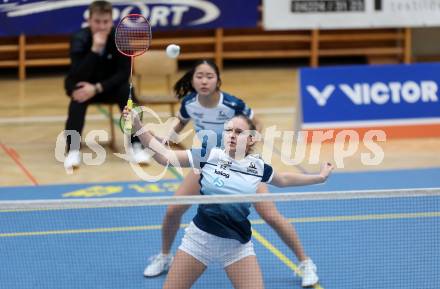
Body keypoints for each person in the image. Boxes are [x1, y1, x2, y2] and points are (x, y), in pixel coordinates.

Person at [141, 60, 321, 287]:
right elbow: (179, 126)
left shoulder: (233, 104)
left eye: (209, 76)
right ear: (192, 79)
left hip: (240, 167)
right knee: (173, 210)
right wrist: (161, 139)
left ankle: (305, 262)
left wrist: (246, 151)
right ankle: (165, 256)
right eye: (199, 76)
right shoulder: (189, 103)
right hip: (208, 162)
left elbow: (257, 124)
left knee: (270, 215)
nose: (204, 81)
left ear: (218, 79)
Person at [123, 106, 334, 289]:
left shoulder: (257, 167)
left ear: (251, 138)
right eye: (228, 130)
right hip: (199, 241)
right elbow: (165, 156)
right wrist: (138, 126)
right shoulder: (209, 156)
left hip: (237, 246)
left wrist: (319, 177)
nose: (232, 134)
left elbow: (284, 179)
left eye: (239, 131)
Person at [63, 0, 150, 169]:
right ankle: (73, 150)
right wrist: (95, 50)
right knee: (77, 97)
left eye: (105, 22)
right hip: (84, 84)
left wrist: (97, 88)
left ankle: (136, 145)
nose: (101, 26)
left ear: (111, 22)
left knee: (128, 92)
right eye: (97, 22)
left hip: (109, 87)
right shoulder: (78, 39)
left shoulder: (120, 39)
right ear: (89, 21)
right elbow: (77, 74)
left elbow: (124, 74)